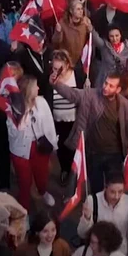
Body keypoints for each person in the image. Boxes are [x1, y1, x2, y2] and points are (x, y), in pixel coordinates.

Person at [52, 70, 128, 194]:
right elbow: (73, 94)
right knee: (96, 189)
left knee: (115, 187)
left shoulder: (124, 105)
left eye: (111, 86)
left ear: (118, 89)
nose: (105, 87)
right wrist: (56, 84)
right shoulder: (90, 95)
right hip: (94, 153)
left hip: (115, 155)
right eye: (106, 83)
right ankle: (97, 211)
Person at [0, 74, 57, 211]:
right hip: (20, 151)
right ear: (28, 90)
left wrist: (53, 144)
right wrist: (22, 116)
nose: (38, 88)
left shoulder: (41, 102)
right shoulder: (12, 108)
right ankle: (24, 211)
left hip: (39, 146)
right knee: (24, 182)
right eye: (35, 86)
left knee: (42, 175)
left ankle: (42, 191)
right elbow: (13, 133)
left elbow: (49, 124)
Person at [78, 171, 128, 256]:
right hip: (97, 253)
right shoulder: (92, 201)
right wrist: (86, 218)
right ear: (105, 188)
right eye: (112, 192)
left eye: (120, 192)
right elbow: (82, 234)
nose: (116, 196)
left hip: (120, 254)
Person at [50, 49, 86, 186]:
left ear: (67, 64)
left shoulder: (76, 75)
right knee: (61, 148)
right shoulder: (51, 79)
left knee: (73, 149)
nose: (56, 72)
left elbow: (83, 96)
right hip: (57, 121)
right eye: (54, 68)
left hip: (74, 121)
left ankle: (74, 173)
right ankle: (65, 170)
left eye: (60, 69)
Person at [92, 26, 128, 90]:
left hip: (119, 84)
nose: (114, 39)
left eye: (117, 35)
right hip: (104, 82)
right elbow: (95, 38)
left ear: (121, 35)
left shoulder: (127, 48)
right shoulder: (104, 46)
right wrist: (90, 28)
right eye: (111, 36)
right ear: (108, 37)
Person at [53, 0, 92, 66]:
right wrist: (58, 32)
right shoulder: (63, 23)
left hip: (80, 60)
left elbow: (90, 41)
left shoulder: (85, 22)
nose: (81, 11)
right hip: (65, 59)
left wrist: (90, 29)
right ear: (71, 11)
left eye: (81, 9)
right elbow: (55, 42)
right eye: (78, 9)